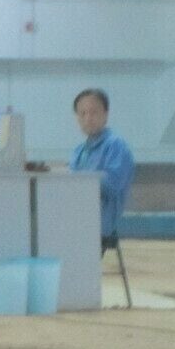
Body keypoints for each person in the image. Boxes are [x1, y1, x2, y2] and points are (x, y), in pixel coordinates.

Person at [68, 87, 135, 249]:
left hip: (98, 225)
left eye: (93, 112)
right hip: (76, 221)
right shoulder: (79, 151)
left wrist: (78, 178)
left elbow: (112, 184)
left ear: (105, 115)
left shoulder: (116, 146)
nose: (88, 118)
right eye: (82, 114)